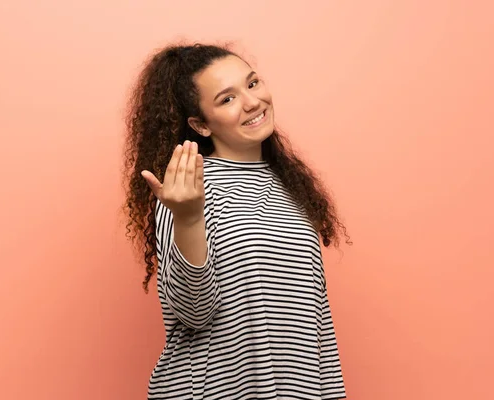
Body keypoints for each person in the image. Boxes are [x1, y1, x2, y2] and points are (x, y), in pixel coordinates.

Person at [123, 42, 350, 400]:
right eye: (227, 99)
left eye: (253, 83)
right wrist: (187, 217)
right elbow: (194, 313)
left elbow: (316, 320)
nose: (251, 102)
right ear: (199, 124)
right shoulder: (189, 188)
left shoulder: (290, 186)